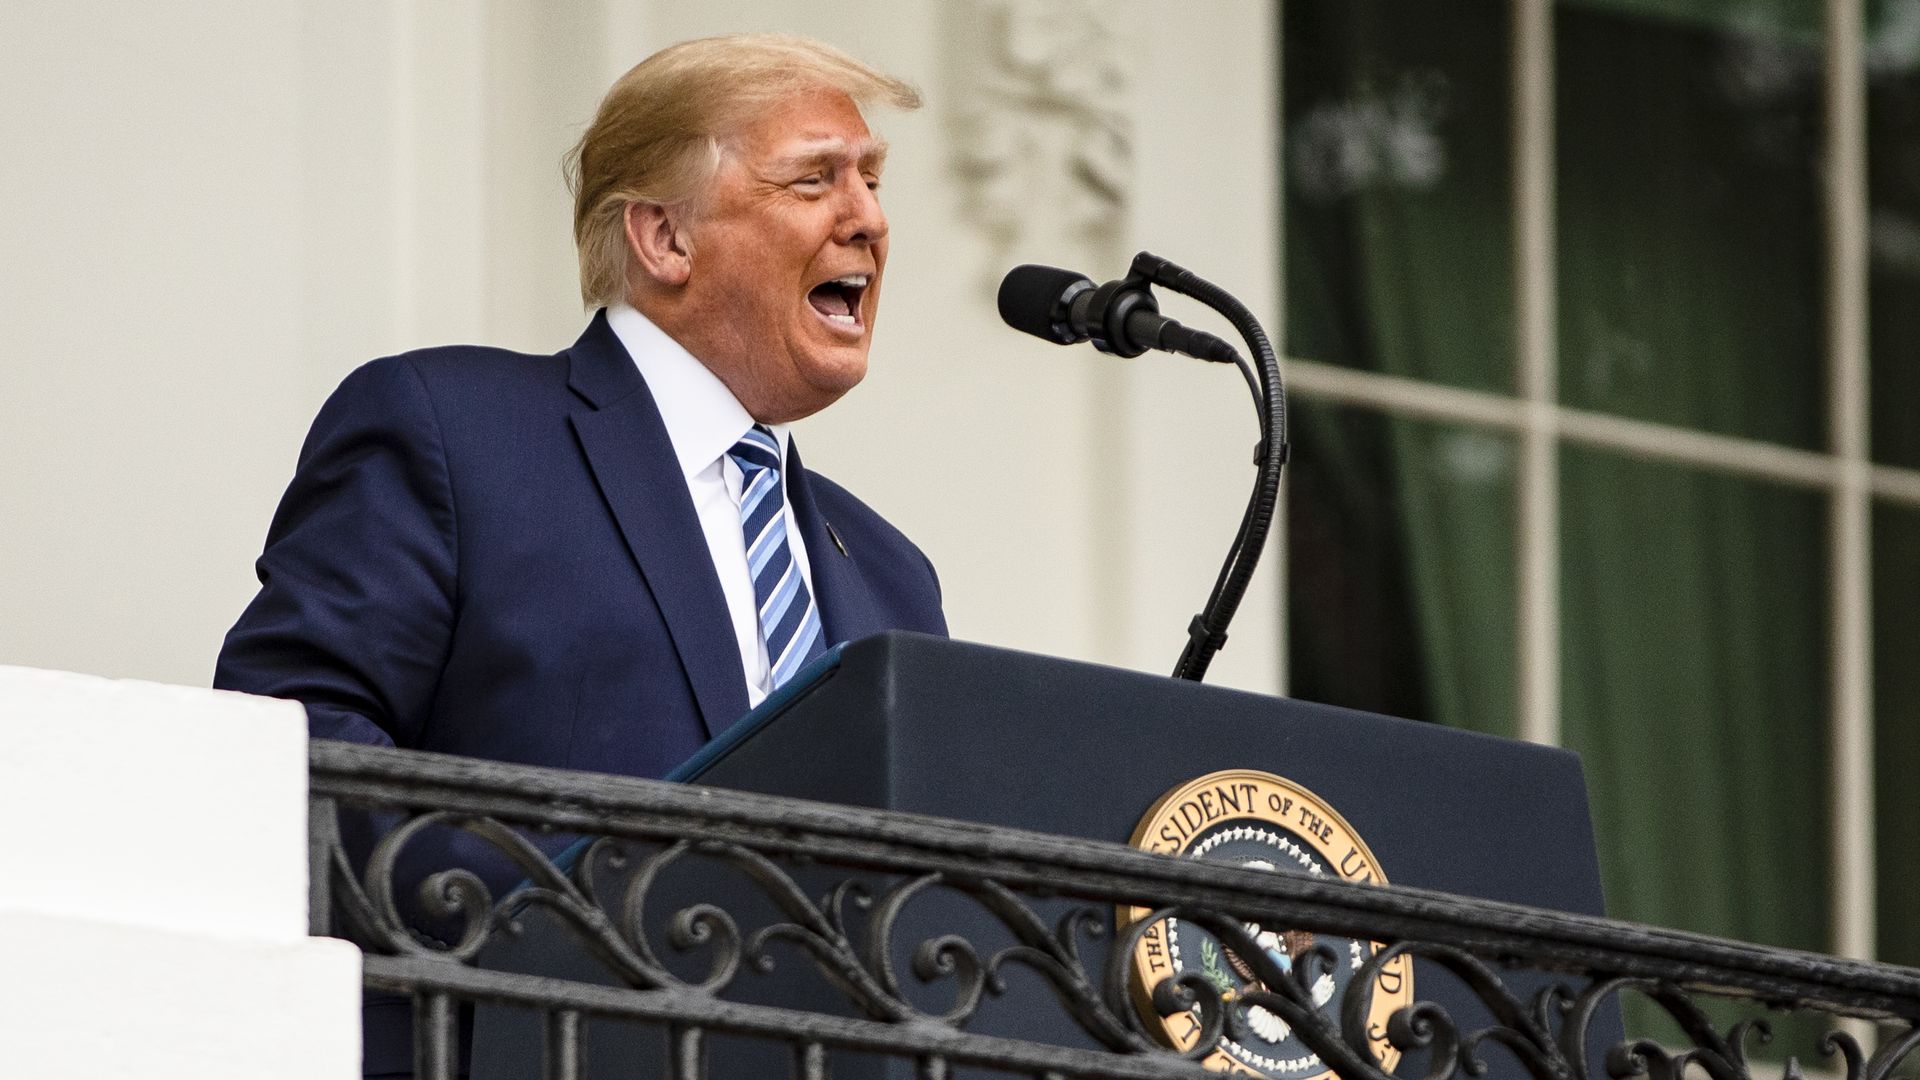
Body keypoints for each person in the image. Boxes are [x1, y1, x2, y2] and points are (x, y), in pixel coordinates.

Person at [214, 34, 947, 1075]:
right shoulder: (454, 430)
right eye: (815, 178)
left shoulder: (889, 573)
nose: (868, 215)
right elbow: (287, 744)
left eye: (872, 179)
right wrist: (572, 923)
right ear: (662, 237)